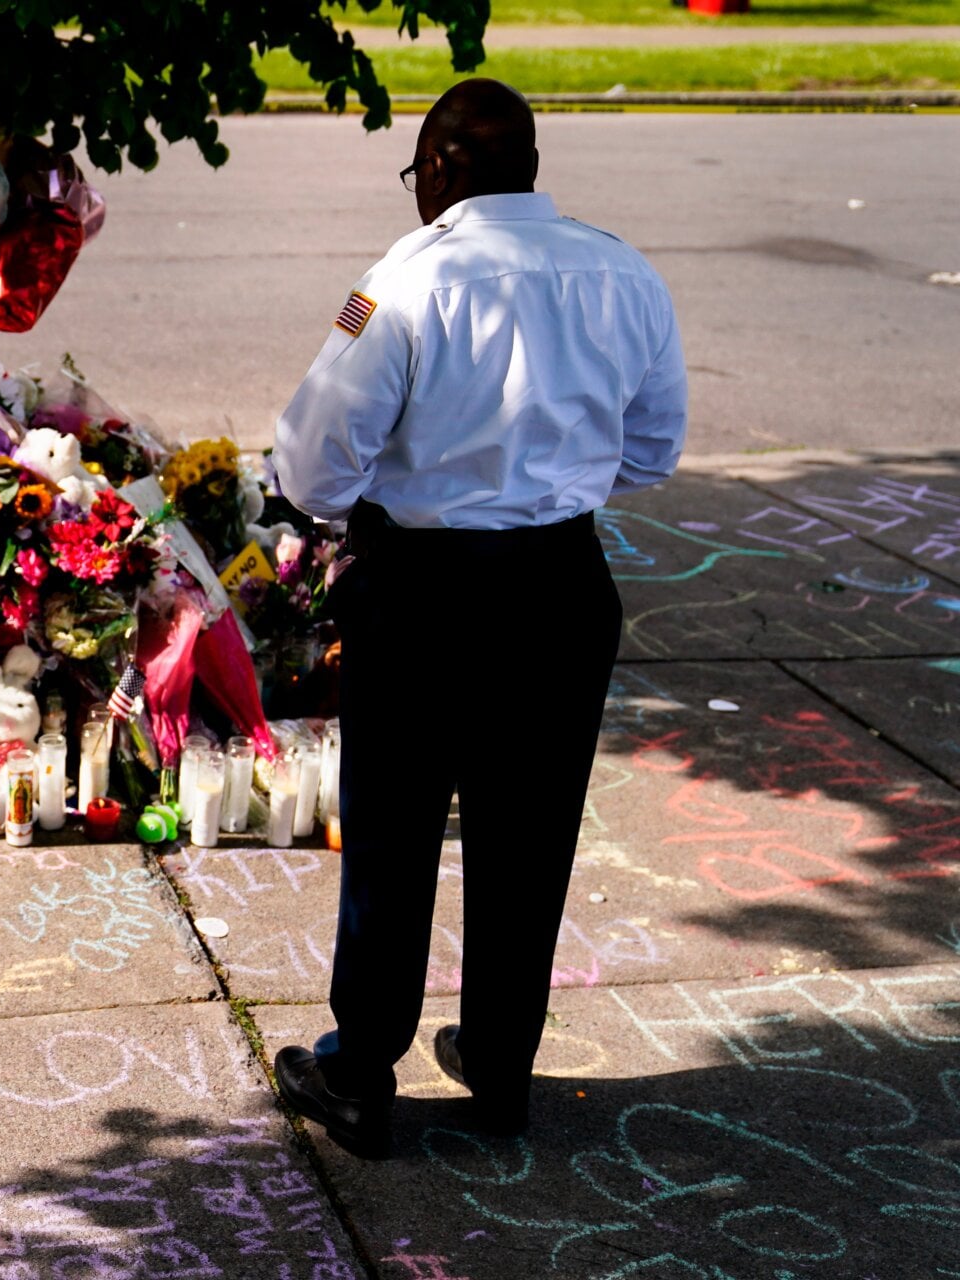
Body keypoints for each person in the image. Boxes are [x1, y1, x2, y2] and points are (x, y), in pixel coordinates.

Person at [268, 78, 686, 1157]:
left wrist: (373, 501)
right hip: (560, 588)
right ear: (531, 163)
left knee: (397, 831)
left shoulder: (401, 283)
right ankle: (502, 1062)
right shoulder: (625, 271)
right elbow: (653, 449)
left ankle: (362, 1069)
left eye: (420, 174)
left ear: (442, 169)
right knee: (529, 831)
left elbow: (315, 461)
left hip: (425, 593)